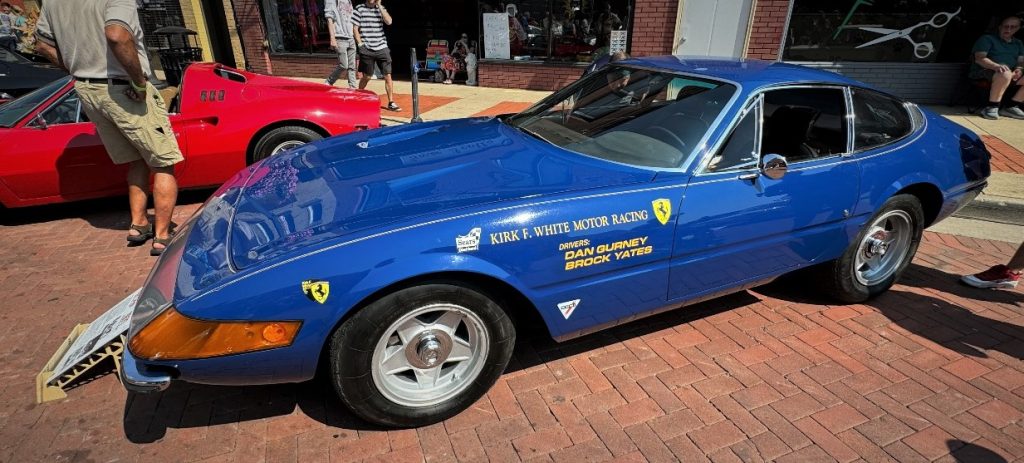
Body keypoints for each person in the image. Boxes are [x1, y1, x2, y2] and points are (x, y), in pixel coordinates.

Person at [34, 0, 183, 256]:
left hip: (86, 87)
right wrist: (138, 82)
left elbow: (42, 44)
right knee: (163, 161)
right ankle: (162, 235)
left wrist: (75, 65)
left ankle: (138, 224)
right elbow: (117, 35)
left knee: (135, 158)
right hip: (122, 87)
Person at [971, 15, 1024, 120]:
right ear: (1000, 27)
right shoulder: (987, 39)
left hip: (1010, 74)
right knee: (1004, 72)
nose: (1008, 29)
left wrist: (1019, 69)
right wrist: (996, 66)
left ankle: (1011, 106)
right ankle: (991, 107)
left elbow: (1021, 62)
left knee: (1008, 72)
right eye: (1006, 26)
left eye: (1012, 27)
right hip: (985, 70)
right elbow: (980, 58)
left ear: (1018, 28)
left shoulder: (1018, 43)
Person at [353, 0, 400, 111]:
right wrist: (360, 45)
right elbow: (355, 29)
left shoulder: (380, 8)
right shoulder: (359, 8)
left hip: (382, 47)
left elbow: (389, 22)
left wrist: (379, 5)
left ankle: (391, 102)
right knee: (367, 76)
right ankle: (358, 96)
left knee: (387, 75)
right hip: (367, 47)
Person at [324, 0, 357, 88]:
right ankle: (329, 80)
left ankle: (353, 87)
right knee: (344, 65)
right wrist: (332, 38)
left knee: (352, 67)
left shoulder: (349, 1)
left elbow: (351, 18)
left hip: (351, 37)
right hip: (340, 37)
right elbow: (329, 19)